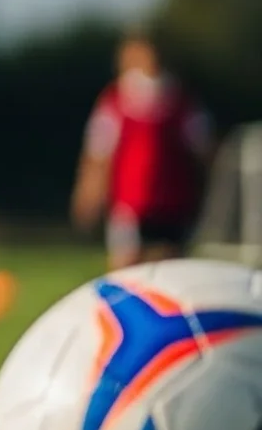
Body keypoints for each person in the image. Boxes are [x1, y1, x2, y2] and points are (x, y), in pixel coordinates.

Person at [73, 32, 214, 269]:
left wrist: (208, 194)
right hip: (130, 205)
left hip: (174, 204)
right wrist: (88, 192)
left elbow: (203, 150)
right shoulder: (115, 101)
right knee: (127, 268)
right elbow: (98, 153)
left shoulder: (180, 102)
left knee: (170, 269)